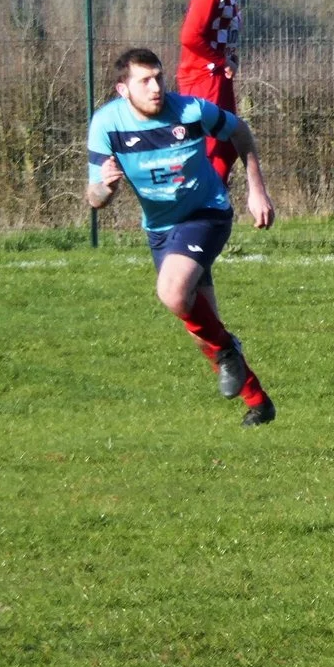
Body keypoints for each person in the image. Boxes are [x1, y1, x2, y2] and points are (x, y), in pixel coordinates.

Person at [85, 47, 278, 426]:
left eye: (158, 77)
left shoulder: (190, 110)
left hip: (206, 214)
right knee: (201, 330)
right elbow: (94, 198)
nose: (156, 87)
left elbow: (239, 130)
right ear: (123, 89)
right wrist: (105, 189)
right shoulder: (106, 125)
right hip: (160, 229)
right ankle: (258, 403)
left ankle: (228, 350)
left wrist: (257, 189)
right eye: (145, 80)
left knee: (172, 292)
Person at [177, 0, 257, 179]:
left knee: (228, 143)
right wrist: (220, 60)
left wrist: (230, 57)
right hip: (203, 77)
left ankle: (215, 200)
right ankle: (204, 205)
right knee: (212, 146)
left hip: (217, 76)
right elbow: (190, 36)